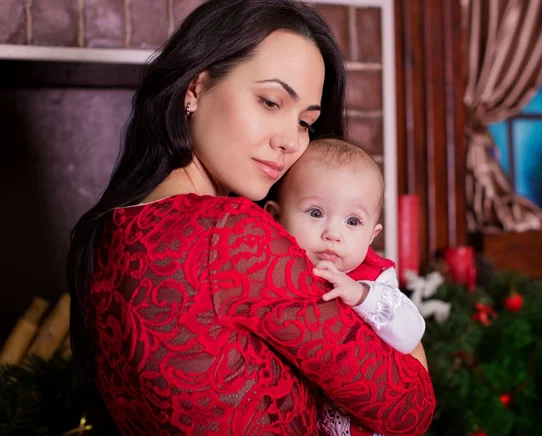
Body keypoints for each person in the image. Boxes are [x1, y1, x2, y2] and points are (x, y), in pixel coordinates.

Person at [66, 0, 436, 434]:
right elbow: (409, 406)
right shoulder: (231, 235)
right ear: (196, 88)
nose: (290, 141)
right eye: (270, 101)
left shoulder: (109, 233)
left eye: (305, 121)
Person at [265, 138, 428, 435]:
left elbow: (411, 335)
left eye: (353, 221)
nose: (333, 233)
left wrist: (361, 295)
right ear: (276, 217)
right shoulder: (273, 273)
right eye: (315, 213)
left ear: (371, 236)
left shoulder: (374, 278)